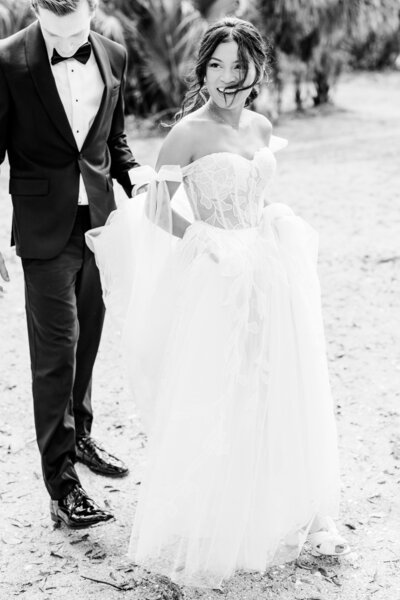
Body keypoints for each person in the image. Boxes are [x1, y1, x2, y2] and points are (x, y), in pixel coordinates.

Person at [87, 17, 350, 588]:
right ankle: (218, 517)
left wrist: (268, 224)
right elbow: (158, 212)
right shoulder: (187, 133)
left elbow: (257, 192)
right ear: (202, 70)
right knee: (220, 390)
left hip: (266, 271)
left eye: (239, 65)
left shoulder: (260, 123)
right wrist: (209, 243)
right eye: (216, 65)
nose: (227, 78)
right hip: (216, 275)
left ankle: (272, 507)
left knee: (270, 386)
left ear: (257, 69)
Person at [0, 0, 140, 528]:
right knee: (55, 352)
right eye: (54, 34)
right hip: (42, 229)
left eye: (76, 30)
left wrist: (138, 179)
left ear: (93, 10)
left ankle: (80, 435)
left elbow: (114, 141)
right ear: (36, 11)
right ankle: (62, 485)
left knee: (87, 339)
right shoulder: (7, 59)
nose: (66, 43)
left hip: (102, 226)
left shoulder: (114, 54)